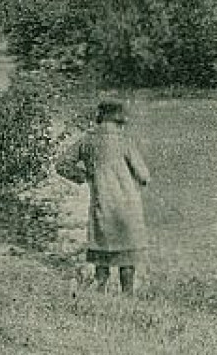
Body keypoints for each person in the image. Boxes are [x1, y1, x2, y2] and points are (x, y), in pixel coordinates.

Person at [57, 99, 152, 295]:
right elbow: (144, 175)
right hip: (127, 206)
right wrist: (141, 181)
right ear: (119, 119)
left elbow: (62, 164)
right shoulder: (125, 141)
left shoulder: (87, 140)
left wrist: (83, 176)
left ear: (100, 117)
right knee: (128, 255)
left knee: (102, 252)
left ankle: (101, 295)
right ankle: (127, 296)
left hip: (101, 204)